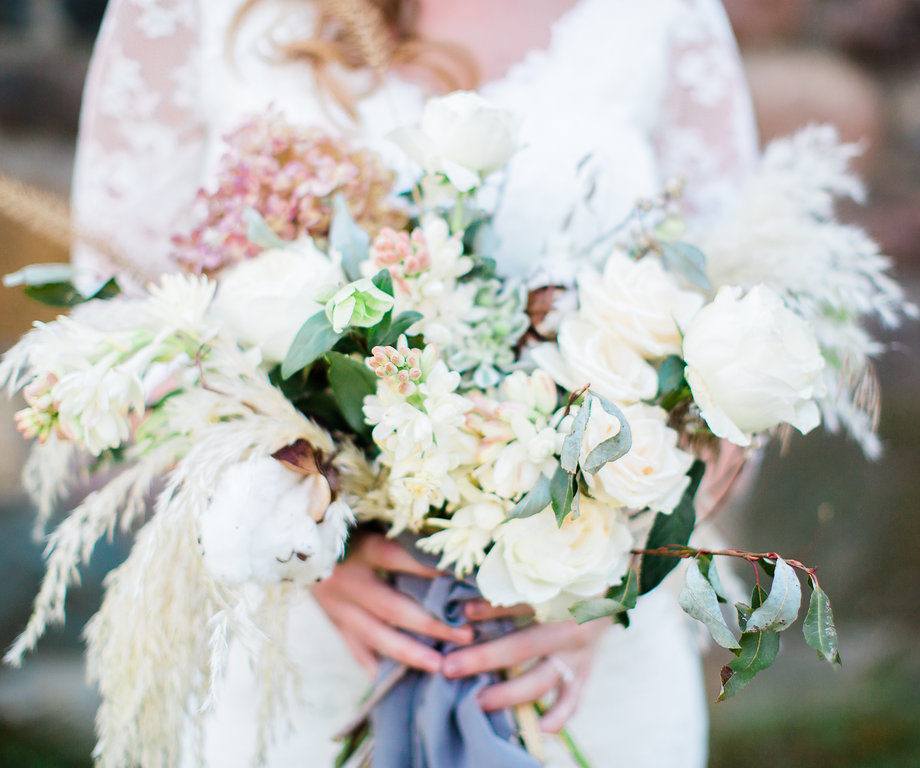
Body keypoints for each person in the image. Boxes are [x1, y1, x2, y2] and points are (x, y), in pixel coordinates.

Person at [72, 1, 758, 765]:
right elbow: (115, 341)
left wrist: (611, 580)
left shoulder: (665, 14)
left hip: (583, 661)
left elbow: (746, 343)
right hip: (300, 650)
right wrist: (293, 545)